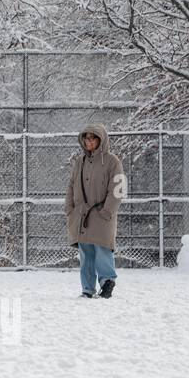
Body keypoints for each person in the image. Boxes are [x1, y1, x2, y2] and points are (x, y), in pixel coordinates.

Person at [65, 123, 125, 298]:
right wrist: (70, 209)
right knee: (86, 253)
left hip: (102, 215)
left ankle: (107, 283)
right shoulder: (79, 162)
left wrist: (107, 211)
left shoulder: (112, 161)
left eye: (93, 138)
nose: (88, 141)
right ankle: (87, 288)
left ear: (101, 140)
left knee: (103, 249)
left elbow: (118, 189)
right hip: (81, 215)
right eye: (86, 137)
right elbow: (71, 185)